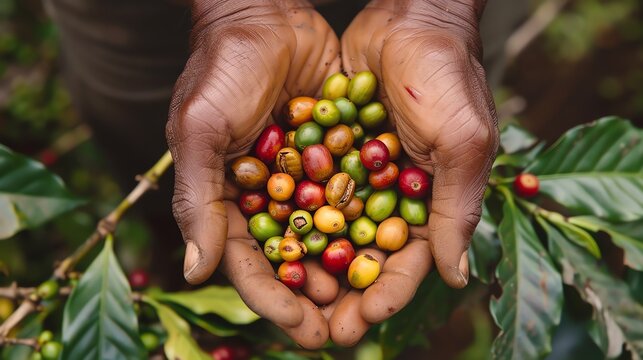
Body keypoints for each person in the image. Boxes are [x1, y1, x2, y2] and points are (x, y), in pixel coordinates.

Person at [47, 0, 499, 349]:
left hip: (411, 39)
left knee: (439, 115)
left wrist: (440, 12)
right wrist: (235, 8)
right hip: (153, 21)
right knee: (181, 148)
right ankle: (165, 237)